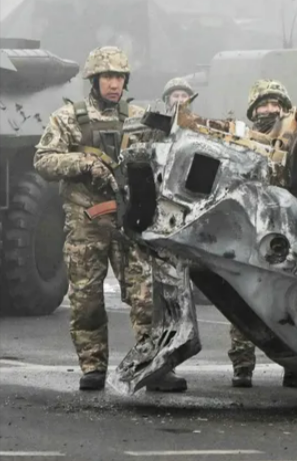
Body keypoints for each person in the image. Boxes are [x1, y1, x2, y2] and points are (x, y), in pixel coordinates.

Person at [33, 46, 187, 392]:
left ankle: (154, 367)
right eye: (107, 77)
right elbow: (43, 160)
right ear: (94, 80)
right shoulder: (68, 118)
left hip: (129, 221)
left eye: (119, 77)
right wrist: (84, 163)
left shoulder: (138, 118)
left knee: (147, 299)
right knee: (86, 301)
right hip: (86, 223)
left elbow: (167, 154)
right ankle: (93, 366)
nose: (114, 84)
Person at [228, 79, 297, 389]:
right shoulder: (239, 138)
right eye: (263, 105)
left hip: (288, 229)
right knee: (243, 296)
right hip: (249, 228)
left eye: (275, 104)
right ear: (253, 110)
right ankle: (242, 365)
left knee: (293, 300)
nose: (270, 110)